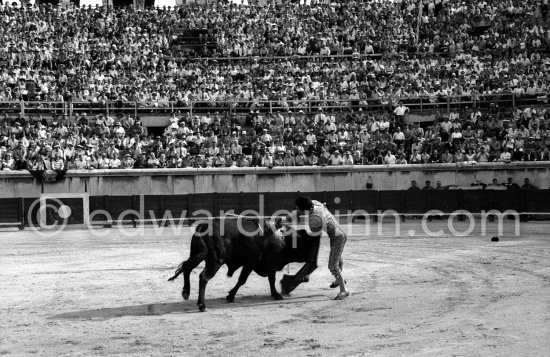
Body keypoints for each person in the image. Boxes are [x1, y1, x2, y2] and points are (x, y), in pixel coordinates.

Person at [287, 196, 350, 300]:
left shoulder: (314, 219)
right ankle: (338, 281)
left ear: (304, 209)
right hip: (340, 233)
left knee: (332, 266)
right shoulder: (315, 203)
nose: (297, 209)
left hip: (338, 238)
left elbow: (314, 234)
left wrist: (295, 225)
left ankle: (344, 290)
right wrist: (296, 215)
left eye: (298, 208)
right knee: (337, 257)